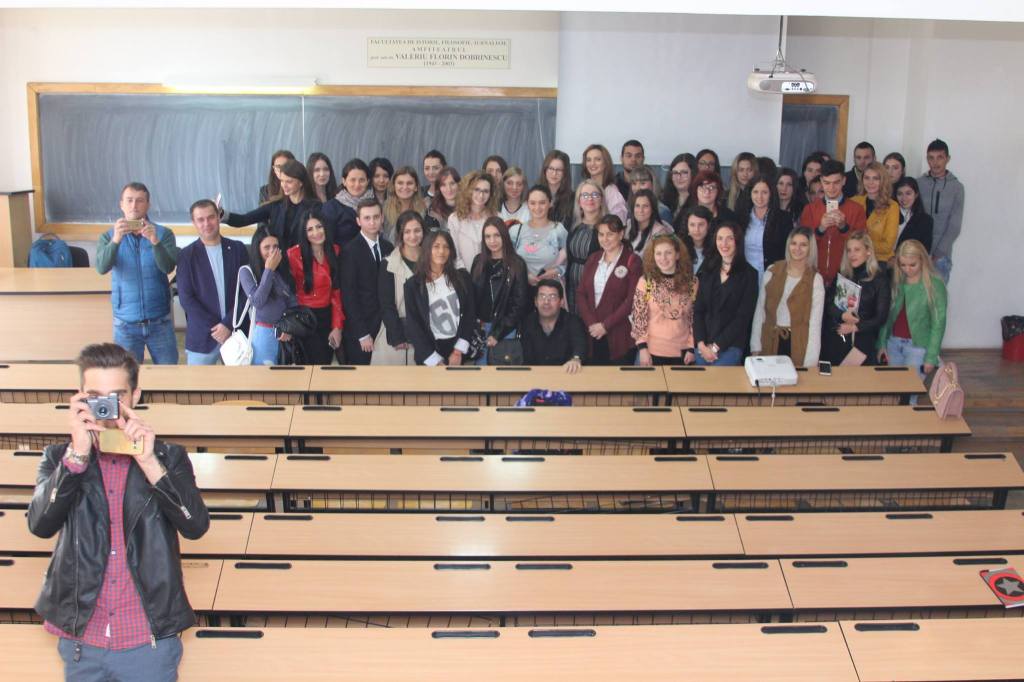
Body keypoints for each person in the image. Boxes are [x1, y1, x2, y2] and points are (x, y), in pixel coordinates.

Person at [29, 342, 209, 679]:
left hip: (148, 640)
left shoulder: (168, 457)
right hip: (83, 641)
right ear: (79, 398)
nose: (106, 409)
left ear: (135, 396)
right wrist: (77, 456)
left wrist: (149, 462)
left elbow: (195, 526)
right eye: (95, 397)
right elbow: (40, 524)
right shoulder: (59, 459)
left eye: (116, 397)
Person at [95, 182, 179, 365]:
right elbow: (101, 267)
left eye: (140, 201)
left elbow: (168, 267)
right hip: (125, 324)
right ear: (121, 204)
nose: (134, 205)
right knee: (126, 376)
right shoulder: (108, 236)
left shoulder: (164, 234)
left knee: (169, 374)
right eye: (129, 200)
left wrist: (155, 241)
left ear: (148, 205)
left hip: (160, 320)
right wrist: (116, 240)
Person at [176, 199, 250, 365]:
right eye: (200, 220)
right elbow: (186, 299)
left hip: (237, 333)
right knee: (198, 382)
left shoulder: (238, 249)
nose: (206, 223)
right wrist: (218, 327)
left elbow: (246, 292)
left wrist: (228, 324)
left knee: (242, 382)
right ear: (194, 223)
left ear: (218, 217)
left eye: (210, 217)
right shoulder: (186, 255)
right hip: (202, 337)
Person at [750, 227, 825, 368]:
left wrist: (810, 363)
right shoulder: (772, 271)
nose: (797, 249)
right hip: (769, 341)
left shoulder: (816, 280)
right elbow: (760, 312)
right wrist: (755, 346)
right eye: (794, 243)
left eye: (803, 245)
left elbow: (815, 324)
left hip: (798, 345)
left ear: (810, 249)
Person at [576, 215, 642, 365]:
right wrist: (592, 324)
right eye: (601, 234)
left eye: (610, 234)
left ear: (621, 234)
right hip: (592, 333)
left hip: (620, 335)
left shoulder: (632, 261)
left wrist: (605, 326)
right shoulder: (593, 259)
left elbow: (632, 300)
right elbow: (581, 294)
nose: (605, 239)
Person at [877, 239, 947, 381]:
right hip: (893, 343)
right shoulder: (897, 281)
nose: (907, 269)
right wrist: (882, 344)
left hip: (918, 347)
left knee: (910, 391)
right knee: (893, 389)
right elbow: (887, 316)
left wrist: (931, 356)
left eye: (912, 265)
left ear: (922, 260)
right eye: (902, 265)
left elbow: (938, 324)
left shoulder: (935, 285)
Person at [403, 229, 476, 366]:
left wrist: (458, 351)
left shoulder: (462, 278)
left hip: (459, 351)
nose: (441, 251)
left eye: (446, 247)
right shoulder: (412, 285)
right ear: (427, 249)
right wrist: (434, 360)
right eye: (436, 246)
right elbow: (414, 326)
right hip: (429, 353)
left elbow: (470, 314)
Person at [693, 220, 759, 366]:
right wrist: (701, 344)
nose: (724, 243)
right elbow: (698, 310)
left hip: (730, 347)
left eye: (730, 238)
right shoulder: (707, 270)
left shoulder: (749, 275)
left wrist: (716, 347)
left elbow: (742, 318)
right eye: (720, 238)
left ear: (738, 241)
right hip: (703, 347)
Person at [821, 231, 891, 366]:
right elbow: (828, 304)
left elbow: (881, 317)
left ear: (868, 251)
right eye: (849, 250)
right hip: (836, 339)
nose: (852, 254)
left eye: (857, 250)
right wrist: (842, 315)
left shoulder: (880, 280)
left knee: (858, 379)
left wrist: (855, 327)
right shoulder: (843, 274)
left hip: (862, 343)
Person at [222, 159, 320, 250]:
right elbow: (244, 220)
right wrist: (222, 214)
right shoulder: (275, 206)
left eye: (289, 181)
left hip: (305, 260)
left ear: (301, 183)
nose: (284, 185)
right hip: (279, 260)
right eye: (282, 181)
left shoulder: (315, 207)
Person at [341, 198, 394, 365]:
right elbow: (349, 296)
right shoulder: (349, 251)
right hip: (361, 330)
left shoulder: (388, 248)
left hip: (385, 327)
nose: (372, 222)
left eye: (376, 217)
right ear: (358, 221)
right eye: (367, 218)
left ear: (382, 218)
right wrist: (362, 333)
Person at [470, 217, 530, 365]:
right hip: (481, 329)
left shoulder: (517, 264)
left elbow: (519, 304)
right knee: (481, 373)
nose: (492, 241)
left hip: (505, 329)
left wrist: (498, 333)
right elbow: (472, 298)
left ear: (504, 236)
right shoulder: (478, 261)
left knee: (503, 374)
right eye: (487, 236)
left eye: (497, 235)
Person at [287, 209, 344, 365]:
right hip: (304, 319)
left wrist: (337, 326)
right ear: (304, 233)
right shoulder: (293, 255)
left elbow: (336, 292)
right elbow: (287, 292)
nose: (316, 233)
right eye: (310, 229)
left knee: (324, 366)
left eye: (319, 227)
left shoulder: (335, 250)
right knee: (308, 369)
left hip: (327, 317)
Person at [630, 233, 696, 366]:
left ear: (677, 255)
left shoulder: (692, 283)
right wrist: (642, 348)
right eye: (658, 253)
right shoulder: (646, 282)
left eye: (668, 253)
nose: (663, 258)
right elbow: (639, 317)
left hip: (683, 353)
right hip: (651, 351)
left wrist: (691, 348)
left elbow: (693, 317)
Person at [799, 160, 867, 286]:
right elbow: (802, 244)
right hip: (814, 274)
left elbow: (862, 245)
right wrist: (820, 229)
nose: (831, 188)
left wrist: (844, 227)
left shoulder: (857, 209)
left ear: (844, 181)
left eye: (836, 182)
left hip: (846, 275)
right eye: (826, 183)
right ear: (821, 181)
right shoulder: (810, 209)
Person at [239, 229, 296, 366]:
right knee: (264, 377)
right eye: (266, 247)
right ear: (257, 249)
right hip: (264, 334)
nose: (272, 251)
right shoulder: (246, 271)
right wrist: (269, 270)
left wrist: (289, 327)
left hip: (285, 334)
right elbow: (257, 301)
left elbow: (293, 302)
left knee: (285, 377)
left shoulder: (283, 271)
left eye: (275, 246)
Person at [375, 210, 424, 365]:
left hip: (425, 334)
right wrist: (397, 336)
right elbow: (386, 304)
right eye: (407, 232)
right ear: (400, 235)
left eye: (417, 230)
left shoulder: (432, 260)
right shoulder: (388, 263)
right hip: (397, 336)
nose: (413, 236)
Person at [918, 138, 964, 283]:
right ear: (927, 159)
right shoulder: (919, 183)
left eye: (940, 157)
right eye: (931, 158)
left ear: (947, 159)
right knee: (914, 296)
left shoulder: (956, 188)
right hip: (918, 253)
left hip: (941, 257)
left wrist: (939, 252)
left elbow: (955, 225)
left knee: (936, 296)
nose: (935, 162)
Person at [519, 279, 586, 373]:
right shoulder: (527, 323)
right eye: (542, 296)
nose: (546, 301)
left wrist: (576, 359)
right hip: (534, 376)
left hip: (566, 374)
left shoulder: (573, 322)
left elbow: (580, 345)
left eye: (552, 297)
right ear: (535, 302)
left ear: (561, 302)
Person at [510, 185, 568, 292]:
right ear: (527, 204)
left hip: (550, 292)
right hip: (521, 292)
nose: (537, 208)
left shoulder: (559, 230)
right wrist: (525, 275)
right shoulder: (515, 231)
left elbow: (571, 261)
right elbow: (508, 261)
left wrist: (558, 270)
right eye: (533, 203)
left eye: (542, 203)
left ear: (550, 203)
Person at [736, 176, 791, 280]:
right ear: (750, 194)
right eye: (755, 192)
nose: (759, 197)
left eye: (764, 192)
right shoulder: (740, 218)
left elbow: (787, 252)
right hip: (744, 276)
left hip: (773, 276)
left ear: (771, 194)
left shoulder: (783, 219)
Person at [564, 180, 606, 313]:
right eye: (585, 195)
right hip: (572, 287)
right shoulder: (573, 225)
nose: (590, 199)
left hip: (596, 289)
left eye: (595, 194)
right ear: (579, 201)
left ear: (602, 199)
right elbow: (566, 254)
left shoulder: (607, 226)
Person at [448, 170, 499, 270]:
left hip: (490, 274)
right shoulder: (454, 219)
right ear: (468, 190)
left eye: (485, 191)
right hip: (462, 275)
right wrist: (465, 276)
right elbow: (455, 255)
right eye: (476, 189)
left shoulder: (497, 218)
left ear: (491, 194)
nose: (481, 195)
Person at [851, 161, 899, 262]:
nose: (870, 182)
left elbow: (888, 246)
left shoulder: (892, 206)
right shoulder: (854, 201)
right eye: (867, 178)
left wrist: (862, 244)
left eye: (875, 178)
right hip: (854, 258)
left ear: (883, 181)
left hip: (880, 261)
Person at [323, 158, 374, 244]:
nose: (357, 185)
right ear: (344, 181)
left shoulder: (374, 205)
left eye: (361, 180)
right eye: (352, 180)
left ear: (368, 182)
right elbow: (327, 241)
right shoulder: (331, 208)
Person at [382, 166, 429, 243]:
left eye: (409, 183)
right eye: (400, 183)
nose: (405, 187)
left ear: (416, 187)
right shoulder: (384, 209)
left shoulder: (426, 209)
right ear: (394, 186)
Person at [582, 144, 627, 221]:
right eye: (589, 160)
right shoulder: (583, 188)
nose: (592, 163)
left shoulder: (612, 192)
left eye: (597, 159)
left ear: (606, 163)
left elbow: (618, 222)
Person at [626, 189, 673, 258]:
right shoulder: (628, 225)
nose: (641, 210)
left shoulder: (659, 232)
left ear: (652, 209)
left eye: (645, 206)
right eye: (637, 206)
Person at [893, 177, 933, 253]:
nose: (904, 198)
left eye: (908, 193)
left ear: (916, 194)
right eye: (900, 194)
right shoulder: (888, 213)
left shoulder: (926, 221)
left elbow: (924, 251)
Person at [539, 149, 574, 229]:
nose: (554, 173)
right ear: (545, 170)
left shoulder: (572, 199)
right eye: (551, 168)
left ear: (565, 173)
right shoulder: (535, 194)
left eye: (559, 170)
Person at [677, 205, 714, 276]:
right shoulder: (678, 248)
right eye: (692, 225)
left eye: (701, 224)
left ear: (709, 226)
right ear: (687, 226)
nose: (696, 229)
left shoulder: (716, 249)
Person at [662, 153, 697, 221]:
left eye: (684, 172)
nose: (679, 177)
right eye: (675, 173)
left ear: (693, 174)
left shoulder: (700, 201)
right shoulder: (664, 199)